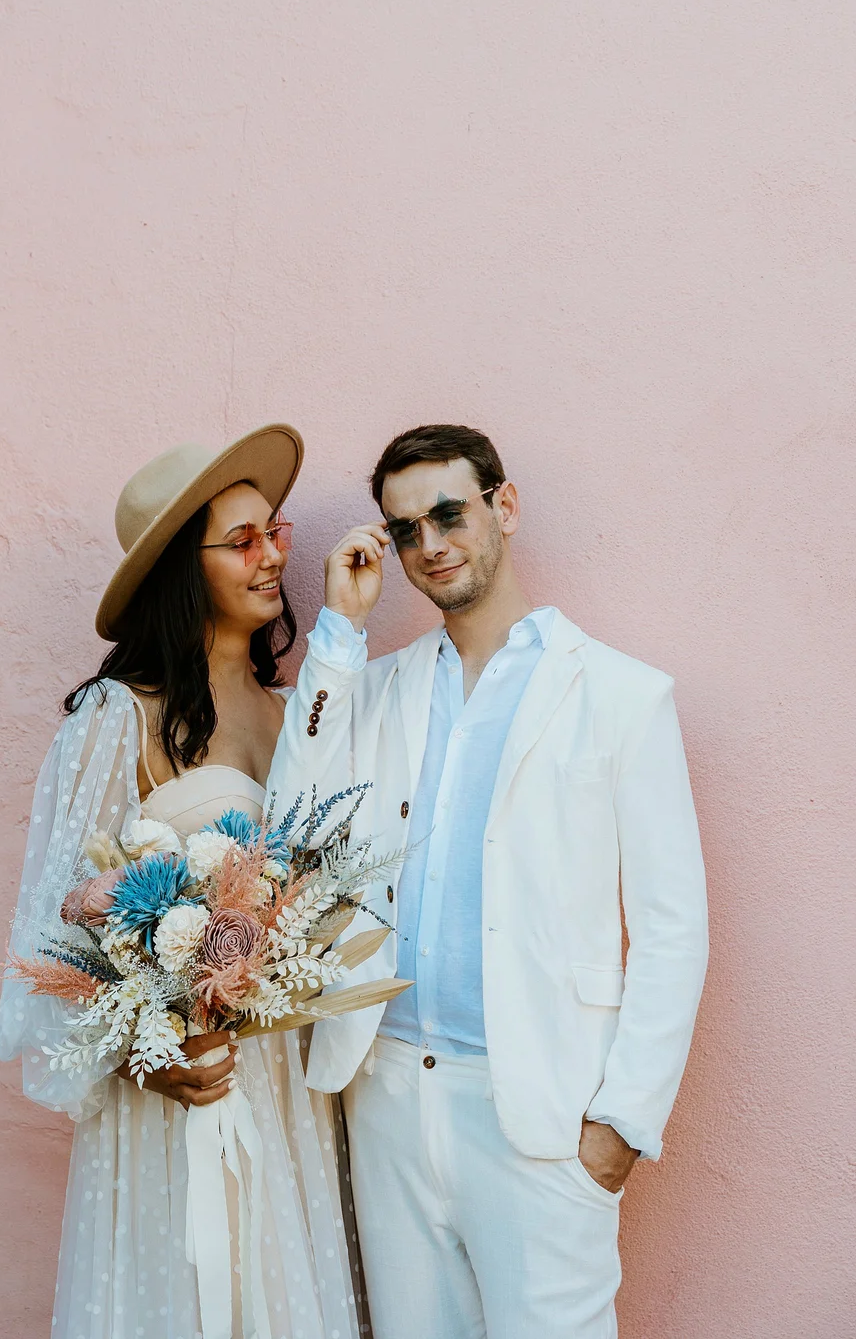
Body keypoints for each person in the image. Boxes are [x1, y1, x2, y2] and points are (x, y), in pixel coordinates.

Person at [267, 423, 709, 1339]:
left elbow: (673, 929)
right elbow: (293, 826)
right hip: (386, 1093)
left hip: (539, 1111)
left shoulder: (622, 697)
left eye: (448, 513)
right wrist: (340, 634)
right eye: (404, 530)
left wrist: (621, 1126)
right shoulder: (377, 686)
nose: (429, 546)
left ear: (503, 507)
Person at [0, 426, 366, 1339]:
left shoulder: (294, 715)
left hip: (285, 1088)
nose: (274, 554)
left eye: (274, 531)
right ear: (179, 571)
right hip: (179, 1093)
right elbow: (55, 941)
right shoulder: (116, 718)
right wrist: (150, 1056)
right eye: (241, 541)